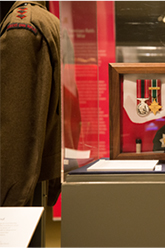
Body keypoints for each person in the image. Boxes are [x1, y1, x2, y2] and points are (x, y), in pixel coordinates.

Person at [0, 1, 61, 206]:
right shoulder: (47, 21)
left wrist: (7, 204)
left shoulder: (21, 27)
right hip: (33, 186)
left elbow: (18, 131)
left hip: (19, 196)